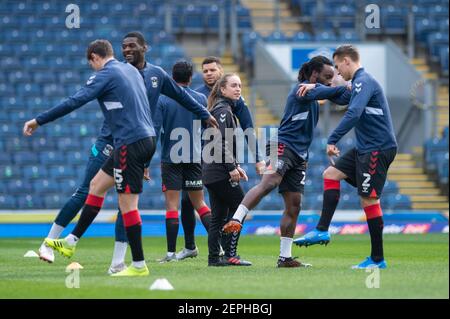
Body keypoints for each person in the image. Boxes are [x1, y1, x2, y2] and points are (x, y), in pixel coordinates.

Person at [23, 40, 156, 277]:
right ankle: (70, 241)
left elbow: (75, 101)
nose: (93, 69)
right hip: (143, 139)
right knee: (96, 186)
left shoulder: (106, 73)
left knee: (127, 206)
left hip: (129, 143)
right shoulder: (131, 70)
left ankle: (138, 265)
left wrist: (39, 120)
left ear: (95, 57)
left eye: (91, 64)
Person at [222, 56, 344, 268]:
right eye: (326, 77)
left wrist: (349, 90)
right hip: (282, 145)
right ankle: (237, 218)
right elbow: (334, 93)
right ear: (314, 75)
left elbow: (338, 97)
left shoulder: (315, 93)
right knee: (270, 182)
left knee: (294, 205)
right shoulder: (303, 90)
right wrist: (349, 86)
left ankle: (284, 258)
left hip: (299, 155)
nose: (329, 81)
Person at [293, 45, 398, 269]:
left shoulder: (364, 81)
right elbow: (338, 95)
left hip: (376, 148)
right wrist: (313, 88)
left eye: (338, 67)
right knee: (330, 174)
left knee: (369, 200)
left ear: (347, 60)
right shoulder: (360, 83)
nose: (338, 73)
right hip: (366, 147)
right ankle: (321, 231)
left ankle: (377, 260)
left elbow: (354, 112)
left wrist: (332, 139)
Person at [152, 61, 212, 262]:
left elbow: (156, 128)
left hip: (171, 158)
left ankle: (170, 254)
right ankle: (218, 248)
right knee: (201, 205)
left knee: (171, 206)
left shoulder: (163, 100)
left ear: (171, 76)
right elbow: (206, 127)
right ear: (191, 77)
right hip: (195, 157)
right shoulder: (201, 98)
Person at [203, 73, 252, 266]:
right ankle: (230, 254)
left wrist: (237, 166)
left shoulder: (220, 108)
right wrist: (231, 167)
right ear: (223, 89)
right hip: (219, 171)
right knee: (241, 206)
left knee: (217, 217)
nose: (238, 89)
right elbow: (218, 140)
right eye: (233, 85)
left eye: (239, 85)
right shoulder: (223, 110)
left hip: (212, 172)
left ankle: (214, 258)